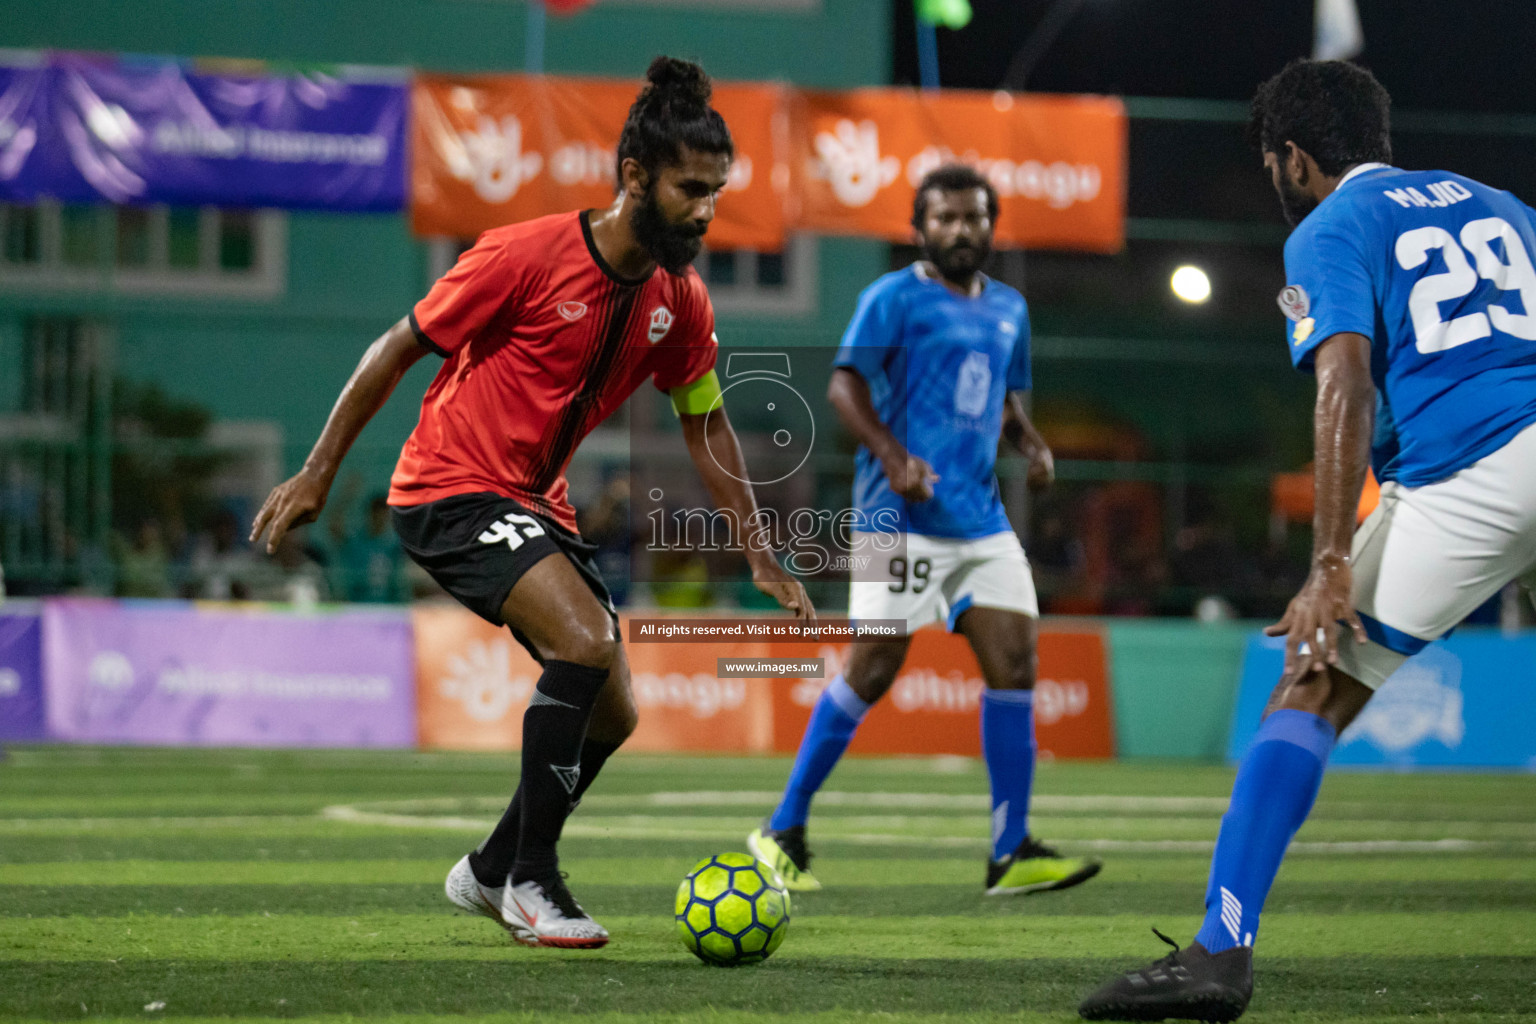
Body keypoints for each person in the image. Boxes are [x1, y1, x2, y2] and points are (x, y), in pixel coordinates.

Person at [251, 56, 812, 950]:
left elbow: (706, 425)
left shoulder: (680, 300)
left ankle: (487, 866)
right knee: (585, 642)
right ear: (635, 177)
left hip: (531, 502)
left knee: (615, 712)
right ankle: (530, 881)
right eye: (691, 189)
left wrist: (756, 549)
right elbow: (396, 349)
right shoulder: (523, 254)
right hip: (448, 486)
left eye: (717, 191)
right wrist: (319, 471)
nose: (708, 211)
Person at [1079, 59, 1536, 1022]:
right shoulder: (1502, 201)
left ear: (1293, 157)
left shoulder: (1330, 226)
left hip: (1471, 474)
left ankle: (1218, 952)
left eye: (1269, 163)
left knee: (1307, 685)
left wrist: (1329, 563)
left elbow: (1345, 387)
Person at [748, 164, 1100, 897]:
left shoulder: (1009, 309)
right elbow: (843, 385)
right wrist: (893, 455)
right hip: (895, 514)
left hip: (980, 520)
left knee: (1016, 665)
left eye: (973, 217)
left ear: (990, 225)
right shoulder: (892, 299)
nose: (960, 230)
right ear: (919, 229)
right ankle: (782, 828)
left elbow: (999, 397)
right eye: (944, 218)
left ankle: (1011, 850)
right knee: (872, 669)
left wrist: (1029, 442)